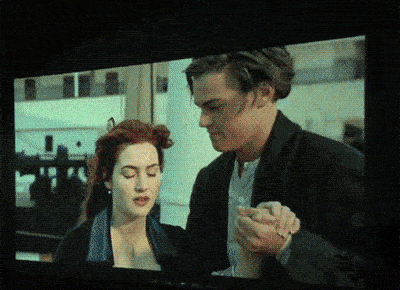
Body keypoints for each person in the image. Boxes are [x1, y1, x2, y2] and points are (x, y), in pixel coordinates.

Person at [184, 49, 369, 286]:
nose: (203, 121)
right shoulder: (210, 179)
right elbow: (195, 267)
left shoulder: (334, 165)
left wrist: (286, 246)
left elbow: (368, 275)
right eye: (200, 108)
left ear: (263, 93)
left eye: (215, 107)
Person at [54, 119, 299, 278]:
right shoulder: (76, 246)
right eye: (129, 174)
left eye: (152, 173)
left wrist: (263, 222)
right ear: (107, 178)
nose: (142, 185)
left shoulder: (178, 242)